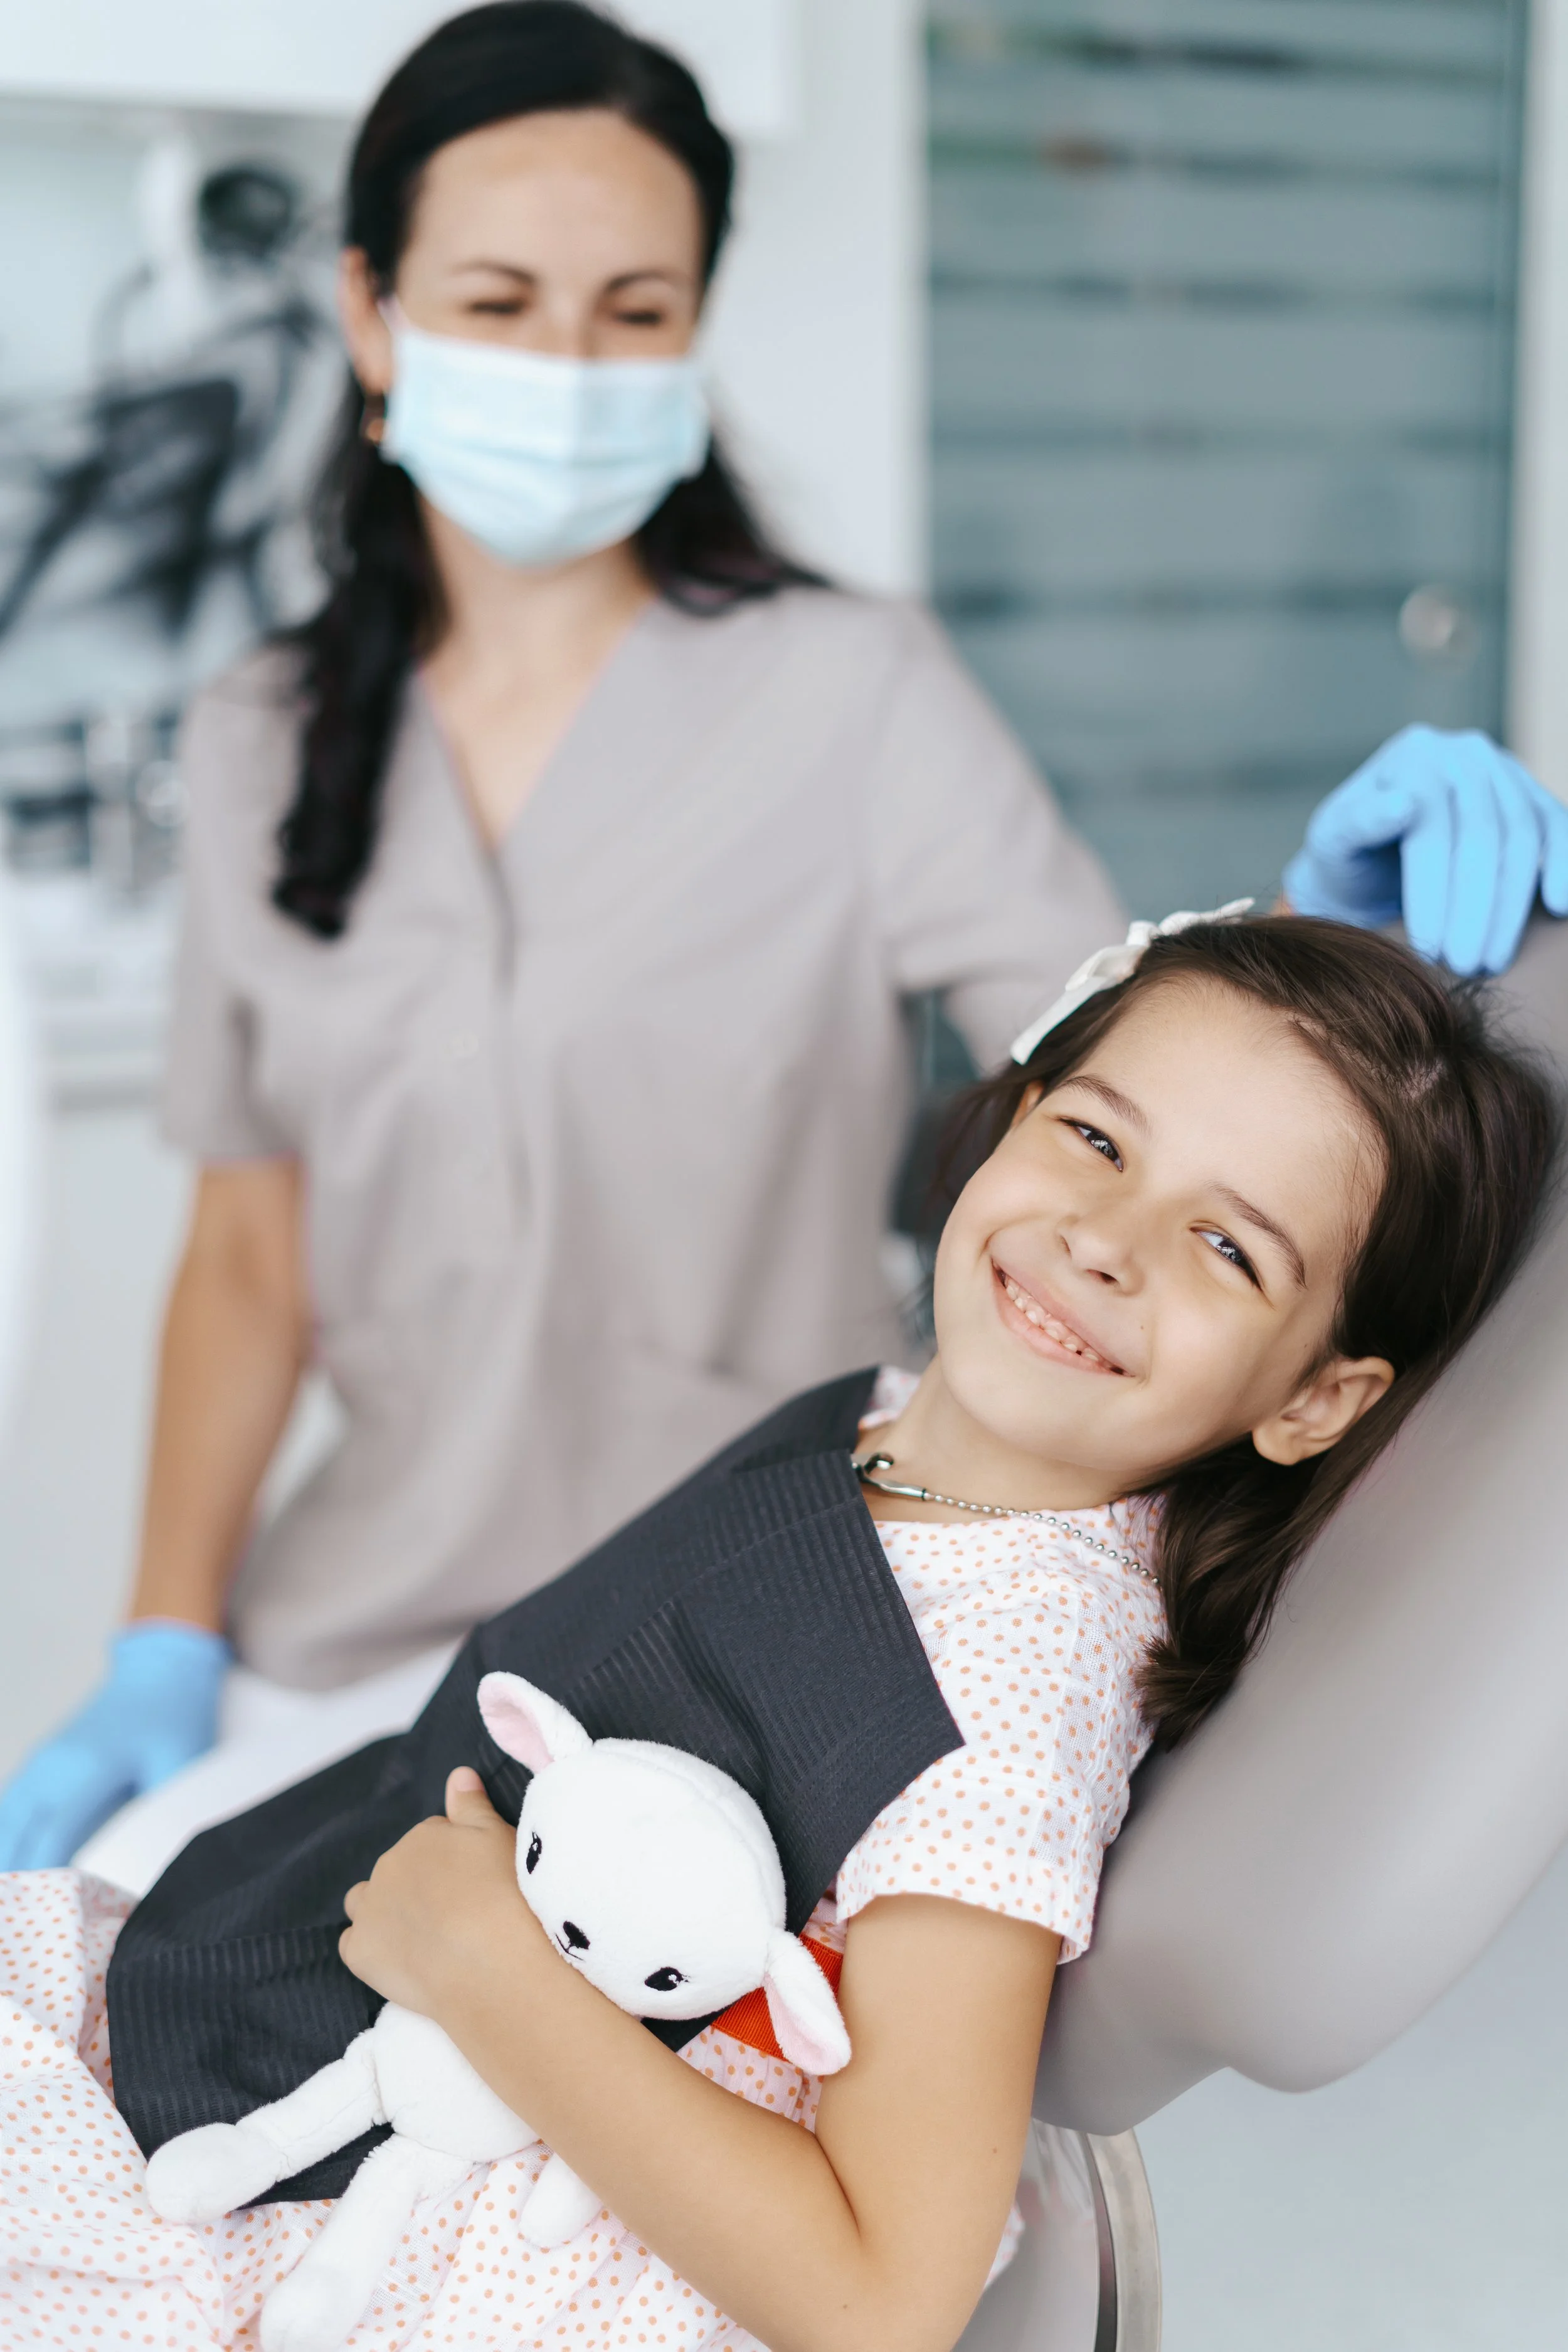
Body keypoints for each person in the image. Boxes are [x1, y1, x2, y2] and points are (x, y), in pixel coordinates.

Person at [2, 0, 1566, 1880]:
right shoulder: (260, 731)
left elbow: (1119, 1072)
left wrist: (1321, 931)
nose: (567, 363)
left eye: (635, 310)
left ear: (694, 331)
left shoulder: (848, 690)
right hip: (366, 1616)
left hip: (764, 1602)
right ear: (368, 315)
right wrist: (163, 1637)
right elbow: (247, 1256)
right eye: (497, 301)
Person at [0, 910, 1554, 2348]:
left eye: (1227, 1249)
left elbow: (888, 2291)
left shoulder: (994, 1713)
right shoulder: (912, 1440)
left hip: (409, 2206)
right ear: (1014, 1116)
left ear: (1312, 1400)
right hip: (318, 1991)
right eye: (1093, 1137)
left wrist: (492, 1971)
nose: (1102, 1237)